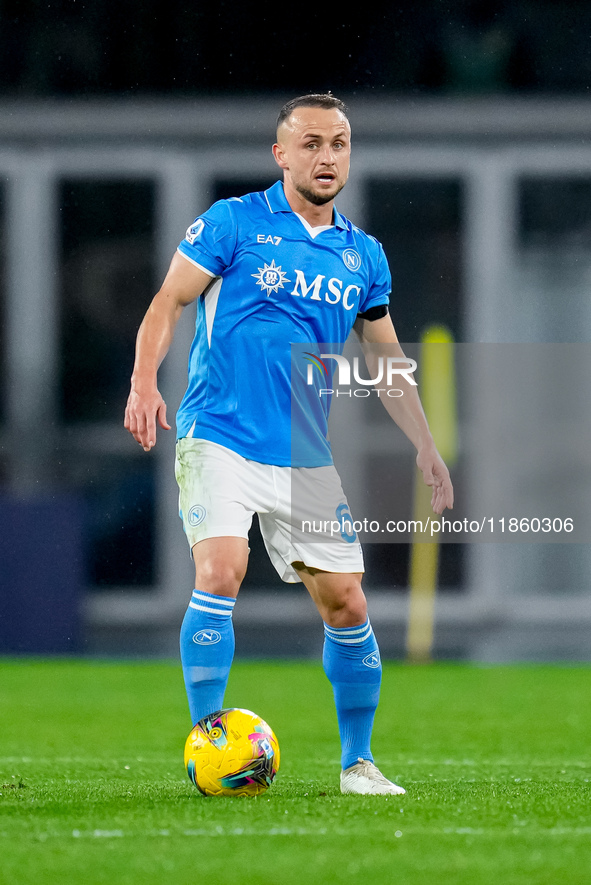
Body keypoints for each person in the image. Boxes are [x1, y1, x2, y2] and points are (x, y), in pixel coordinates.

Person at [125, 93, 454, 796]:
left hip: (303, 453)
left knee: (348, 605)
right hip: (219, 433)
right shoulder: (233, 222)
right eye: (309, 143)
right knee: (220, 570)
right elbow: (167, 301)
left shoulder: (363, 256)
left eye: (337, 143)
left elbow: (386, 359)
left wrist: (426, 445)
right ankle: (209, 742)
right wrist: (144, 382)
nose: (325, 156)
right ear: (280, 154)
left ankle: (357, 763)